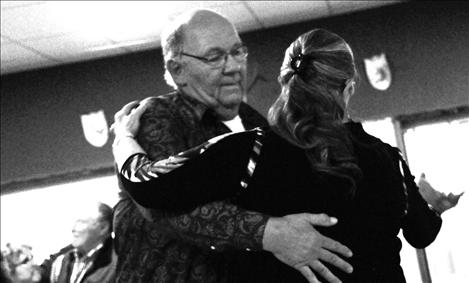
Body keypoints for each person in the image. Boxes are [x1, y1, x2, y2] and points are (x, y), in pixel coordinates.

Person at [111, 28, 462, 283]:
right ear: (350, 86)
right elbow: (421, 233)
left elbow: (148, 186)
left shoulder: (252, 150)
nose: (231, 65)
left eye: (236, 53)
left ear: (285, 82)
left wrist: (124, 140)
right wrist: (433, 206)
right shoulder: (388, 159)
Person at [112, 8, 353, 283]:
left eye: (238, 52)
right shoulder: (155, 116)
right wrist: (270, 233)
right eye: (215, 57)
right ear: (177, 70)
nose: (234, 66)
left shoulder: (257, 123)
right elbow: (160, 206)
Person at [39, 202, 116, 283]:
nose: (73, 229)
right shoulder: (63, 260)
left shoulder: (117, 264)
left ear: (103, 228)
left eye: (81, 222)